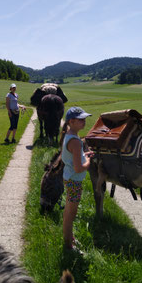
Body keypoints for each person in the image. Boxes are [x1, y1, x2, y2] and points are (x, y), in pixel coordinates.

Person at [60, 106, 94, 251]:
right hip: (74, 180)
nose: (84, 122)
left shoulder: (69, 135)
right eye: (81, 120)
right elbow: (79, 168)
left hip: (69, 178)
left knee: (69, 211)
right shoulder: (75, 141)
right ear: (71, 121)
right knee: (70, 214)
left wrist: (84, 156)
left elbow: (73, 158)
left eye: (84, 119)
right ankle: (68, 245)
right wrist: (89, 162)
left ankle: (69, 238)